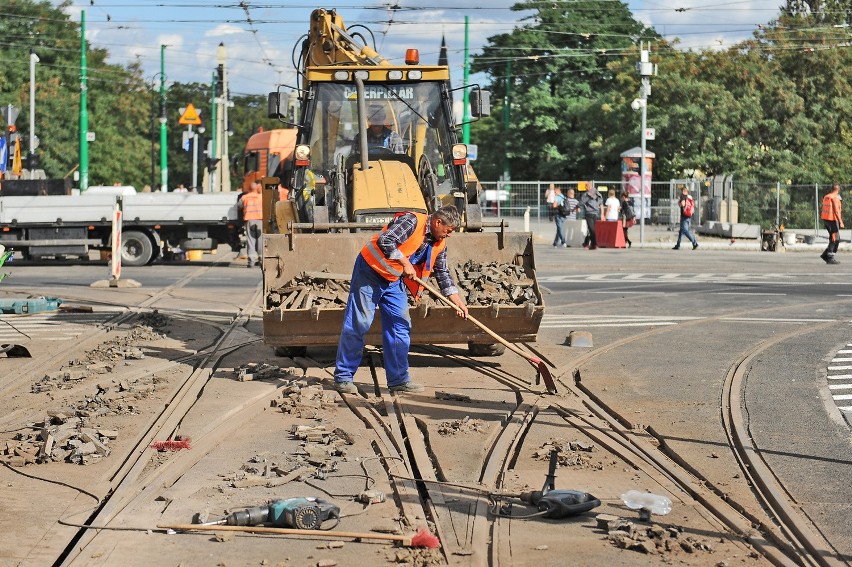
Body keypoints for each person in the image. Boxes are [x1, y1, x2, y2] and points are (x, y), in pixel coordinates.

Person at [334, 205, 469, 394]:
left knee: (400, 324)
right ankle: (343, 377)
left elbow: (442, 272)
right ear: (438, 222)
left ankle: (398, 379)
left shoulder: (440, 243)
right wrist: (405, 262)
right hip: (370, 271)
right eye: (448, 230)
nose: (449, 235)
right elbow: (386, 240)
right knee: (360, 322)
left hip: (393, 279)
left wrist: (456, 299)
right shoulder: (412, 221)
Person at [240, 179, 264, 268]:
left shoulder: (245, 197)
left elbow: (239, 206)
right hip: (260, 220)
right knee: (260, 240)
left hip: (249, 220)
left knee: (251, 241)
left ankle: (251, 261)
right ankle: (261, 260)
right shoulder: (261, 197)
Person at [820, 183, 843, 264]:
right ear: (838, 189)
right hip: (832, 220)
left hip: (826, 219)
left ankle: (825, 255)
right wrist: (841, 222)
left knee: (835, 238)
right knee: (834, 239)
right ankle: (829, 257)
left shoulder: (827, 196)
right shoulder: (835, 198)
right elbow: (836, 211)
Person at [673, 186, 699, 250]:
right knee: (681, 231)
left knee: (685, 230)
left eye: (682, 190)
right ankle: (678, 244)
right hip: (688, 215)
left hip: (684, 216)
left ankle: (695, 243)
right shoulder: (689, 197)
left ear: (685, 191)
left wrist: (679, 202)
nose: (681, 192)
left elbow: (682, 204)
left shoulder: (683, 197)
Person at [579, 184, 603, 250]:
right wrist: (602, 213)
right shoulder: (597, 193)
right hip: (594, 213)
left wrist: (579, 206)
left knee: (592, 230)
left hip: (591, 213)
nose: (586, 188)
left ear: (588, 187)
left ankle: (591, 244)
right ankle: (592, 244)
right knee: (592, 229)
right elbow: (601, 202)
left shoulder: (586, 194)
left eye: (586, 187)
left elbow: (581, 202)